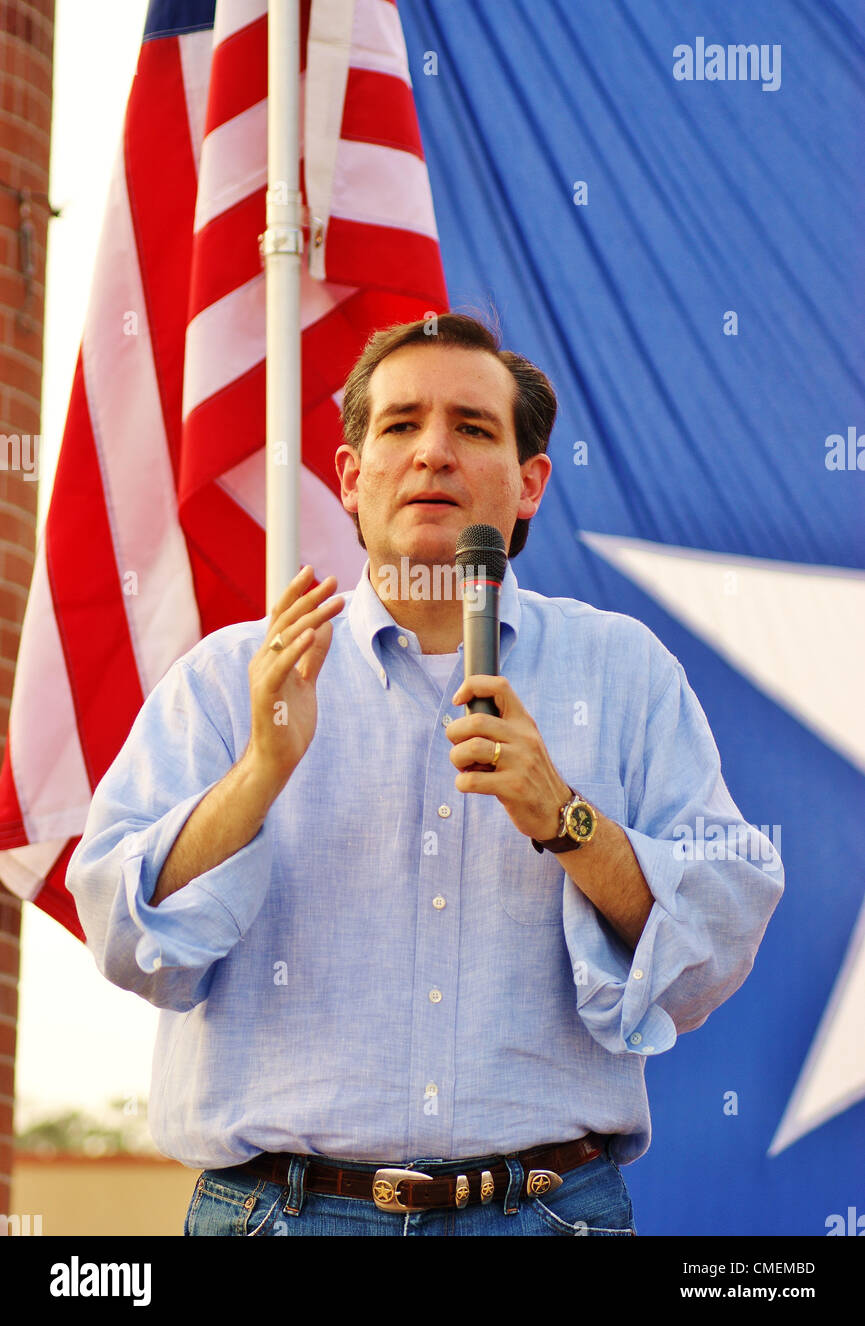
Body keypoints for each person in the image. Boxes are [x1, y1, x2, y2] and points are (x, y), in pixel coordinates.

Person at [68, 312, 784, 1237]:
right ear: (347, 476)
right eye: (400, 425)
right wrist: (259, 773)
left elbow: (715, 944)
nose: (433, 452)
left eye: (472, 428)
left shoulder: (623, 672)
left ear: (528, 484)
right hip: (279, 1217)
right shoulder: (227, 679)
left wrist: (564, 818)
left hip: (545, 1216)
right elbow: (126, 941)